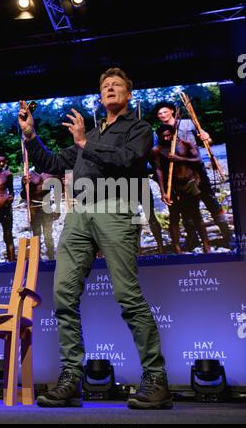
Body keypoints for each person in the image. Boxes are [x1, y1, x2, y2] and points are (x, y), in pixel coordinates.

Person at [18, 67, 172, 410]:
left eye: (117, 84)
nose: (111, 88)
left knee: (127, 295)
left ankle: (156, 379)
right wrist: (31, 135)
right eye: (105, 85)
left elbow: (130, 158)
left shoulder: (139, 128)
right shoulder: (88, 134)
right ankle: (71, 377)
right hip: (80, 213)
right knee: (63, 295)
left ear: (128, 95)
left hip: (117, 206)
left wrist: (87, 143)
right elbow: (54, 163)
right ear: (100, 97)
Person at [153, 101, 232, 249]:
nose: (162, 115)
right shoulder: (161, 132)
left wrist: (206, 138)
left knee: (210, 200)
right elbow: (159, 156)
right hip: (180, 175)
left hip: (197, 167)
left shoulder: (188, 123)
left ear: (172, 111)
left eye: (165, 112)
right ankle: (193, 239)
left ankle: (228, 235)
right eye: (159, 114)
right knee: (187, 208)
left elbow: (208, 139)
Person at [153, 124, 211, 254]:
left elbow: (198, 161)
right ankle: (177, 248)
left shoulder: (185, 144)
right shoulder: (158, 150)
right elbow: (159, 170)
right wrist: (163, 192)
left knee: (196, 215)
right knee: (174, 217)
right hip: (172, 187)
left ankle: (206, 245)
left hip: (190, 183)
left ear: (174, 134)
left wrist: (180, 158)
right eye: (164, 136)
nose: (167, 138)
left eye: (169, 135)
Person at [21, 169, 60, 260]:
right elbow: (23, 195)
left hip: (46, 207)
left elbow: (57, 191)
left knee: (48, 234)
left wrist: (57, 210)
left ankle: (51, 257)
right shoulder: (28, 175)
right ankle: (36, 259)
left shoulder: (51, 175)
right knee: (36, 235)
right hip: (34, 208)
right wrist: (24, 184)